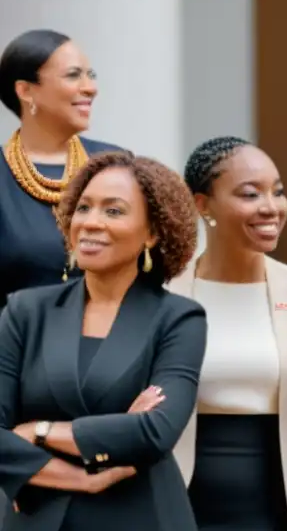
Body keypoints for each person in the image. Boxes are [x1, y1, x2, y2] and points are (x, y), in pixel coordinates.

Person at [0, 150, 206, 530]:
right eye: (83, 208)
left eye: (113, 211)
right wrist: (81, 476)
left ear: (153, 232)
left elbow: (155, 431)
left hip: (140, 514)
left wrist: (36, 432)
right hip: (38, 517)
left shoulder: (179, 318)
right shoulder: (24, 311)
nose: (91, 223)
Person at [170, 137, 287, 531]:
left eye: (278, 192)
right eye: (251, 194)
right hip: (181, 503)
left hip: (285, 507)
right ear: (202, 204)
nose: (271, 207)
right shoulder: (164, 296)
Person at [0, 29, 120, 311]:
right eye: (73, 75)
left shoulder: (115, 165)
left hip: (107, 346)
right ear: (25, 91)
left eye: (91, 75)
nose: (90, 88)